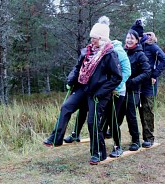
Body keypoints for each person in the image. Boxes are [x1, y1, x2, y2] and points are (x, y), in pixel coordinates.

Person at [43, 16, 122, 165]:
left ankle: (98, 153)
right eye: (91, 38)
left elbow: (117, 77)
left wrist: (101, 92)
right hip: (82, 88)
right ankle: (56, 138)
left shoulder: (109, 54)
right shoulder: (86, 51)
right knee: (66, 107)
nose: (92, 41)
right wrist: (70, 79)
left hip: (98, 93)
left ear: (103, 39)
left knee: (92, 122)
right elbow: (77, 68)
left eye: (95, 39)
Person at [64, 39, 131, 158]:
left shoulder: (116, 51)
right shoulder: (97, 51)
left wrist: (116, 87)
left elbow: (126, 71)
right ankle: (97, 146)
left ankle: (117, 146)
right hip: (101, 92)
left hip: (116, 91)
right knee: (96, 119)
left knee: (112, 119)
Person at [117, 29, 151, 151]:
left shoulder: (140, 54)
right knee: (117, 115)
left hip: (132, 90)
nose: (129, 40)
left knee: (131, 116)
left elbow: (147, 72)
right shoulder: (122, 52)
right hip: (120, 89)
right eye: (127, 37)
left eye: (132, 38)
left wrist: (133, 81)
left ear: (137, 40)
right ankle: (115, 139)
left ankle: (135, 141)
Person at [139, 31, 165, 148]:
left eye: (148, 35)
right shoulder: (140, 47)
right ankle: (139, 138)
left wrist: (154, 75)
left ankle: (149, 139)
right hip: (139, 82)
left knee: (147, 111)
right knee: (141, 110)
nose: (146, 37)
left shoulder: (153, 47)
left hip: (149, 85)